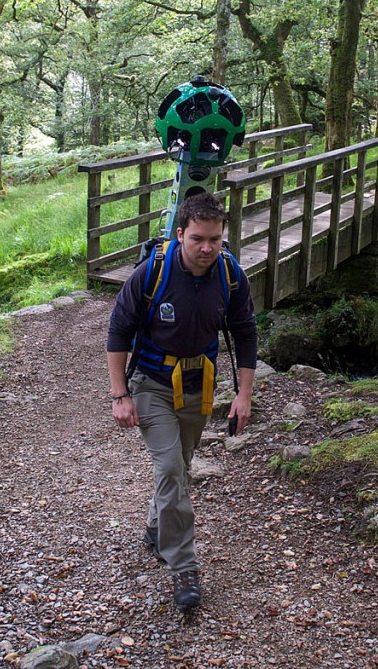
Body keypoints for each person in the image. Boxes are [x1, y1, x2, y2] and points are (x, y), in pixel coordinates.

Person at [106, 192, 257, 611]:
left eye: (215, 239)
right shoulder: (152, 273)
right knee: (171, 466)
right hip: (151, 383)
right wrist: (119, 395)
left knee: (181, 465)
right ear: (180, 235)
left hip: (198, 385)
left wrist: (244, 395)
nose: (207, 248)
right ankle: (184, 567)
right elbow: (118, 332)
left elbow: (246, 332)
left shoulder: (230, 275)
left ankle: (157, 525)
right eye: (197, 239)